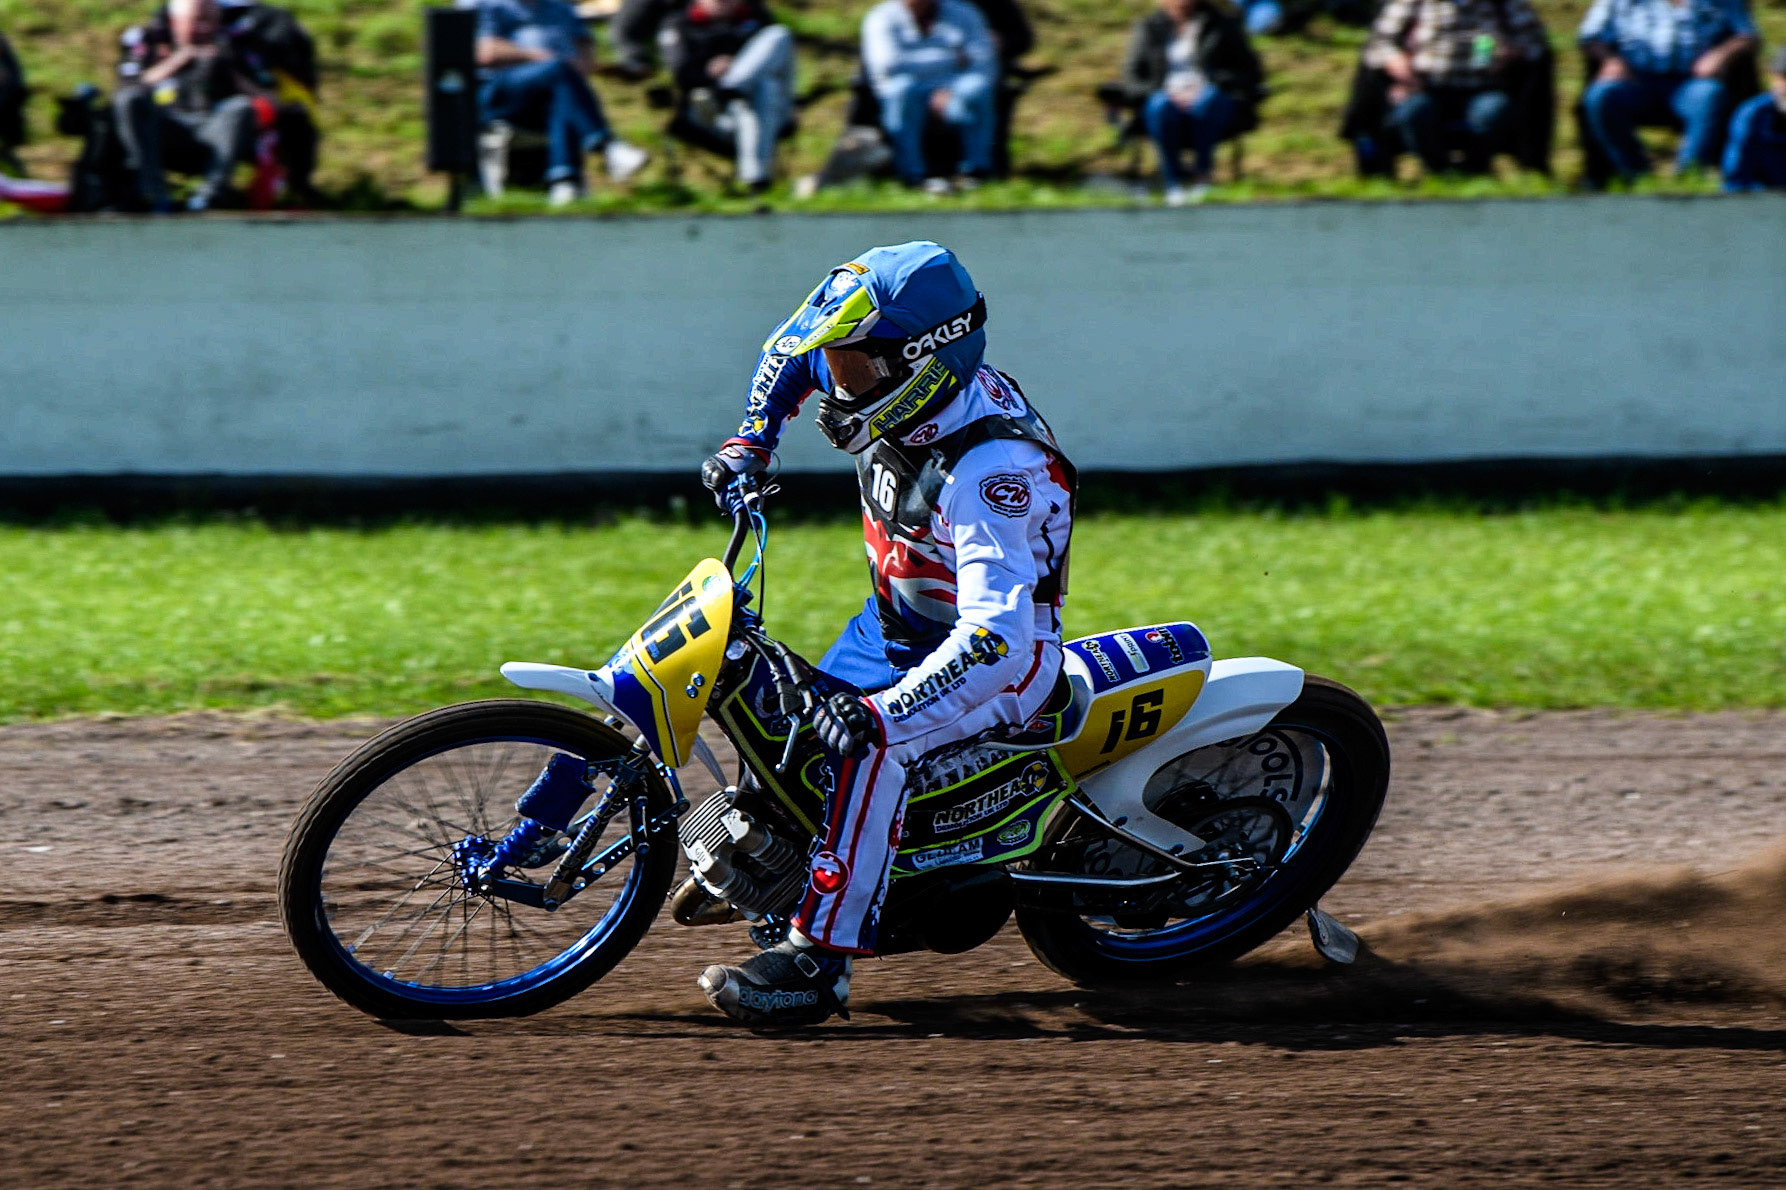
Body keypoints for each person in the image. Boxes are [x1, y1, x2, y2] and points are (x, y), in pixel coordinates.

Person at [695, 242, 1076, 1026]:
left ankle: (818, 964)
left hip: (993, 662)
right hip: (895, 624)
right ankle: (781, 859)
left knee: (865, 749)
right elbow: (788, 352)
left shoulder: (989, 473)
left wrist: (884, 715)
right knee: (785, 735)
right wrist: (752, 438)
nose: (839, 385)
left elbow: (996, 638)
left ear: (924, 361)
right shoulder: (901, 379)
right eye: (836, 365)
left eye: (854, 370)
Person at [474, 0, 650, 205]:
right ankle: (606, 145)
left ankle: (564, 182)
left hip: (554, 87)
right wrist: (540, 58)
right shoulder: (483, 3)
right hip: (500, 92)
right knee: (559, 73)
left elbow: (584, 43)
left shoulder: (560, 5)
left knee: (563, 95)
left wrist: (582, 63)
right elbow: (485, 52)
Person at [1359, 0, 1551, 177]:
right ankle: (1438, 171)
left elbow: (1536, 43)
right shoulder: (1413, 3)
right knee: (1415, 111)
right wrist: (1396, 62)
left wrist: (1511, 53)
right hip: (1425, 88)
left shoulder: (1503, 4)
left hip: (1484, 87)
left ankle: (1476, 170)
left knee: (1495, 111)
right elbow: (1378, 44)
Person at [1577, 0, 1758, 182]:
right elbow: (1590, 37)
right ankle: (1635, 175)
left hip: (1692, 82)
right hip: (1635, 82)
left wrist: (1721, 55)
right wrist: (1610, 60)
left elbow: (1747, 36)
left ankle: (1689, 175)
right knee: (1600, 97)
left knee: (1710, 95)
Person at [111, 0, 263, 212]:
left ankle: (209, 197)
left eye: (210, 21)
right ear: (175, 22)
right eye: (197, 21)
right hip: (162, 130)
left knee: (240, 107)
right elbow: (127, 88)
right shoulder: (149, 44)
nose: (204, 28)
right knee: (128, 100)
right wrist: (180, 59)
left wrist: (225, 65)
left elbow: (264, 97)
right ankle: (152, 194)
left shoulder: (230, 48)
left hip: (211, 133)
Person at [1118, 0, 1265, 206]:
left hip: (1212, 99)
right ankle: (1173, 184)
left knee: (1209, 99)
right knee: (1160, 105)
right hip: (1165, 99)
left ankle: (1202, 177)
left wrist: (1211, 84)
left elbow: (1251, 72)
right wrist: (1167, 92)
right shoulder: (1148, 28)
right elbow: (1131, 77)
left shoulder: (1222, 24)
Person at [861, 0, 999, 188]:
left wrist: (945, 88)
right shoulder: (882, 17)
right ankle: (912, 175)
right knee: (900, 90)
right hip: (907, 93)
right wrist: (951, 60)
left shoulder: (964, 13)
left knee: (976, 87)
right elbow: (889, 64)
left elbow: (982, 58)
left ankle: (975, 171)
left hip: (953, 91)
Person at [663, 0, 795, 190]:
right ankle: (754, 174)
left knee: (773, 61)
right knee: (719, 98)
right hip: (710, 114)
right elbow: (681, 74)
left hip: (757, 111)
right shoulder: (679, 23)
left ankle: (732, 87)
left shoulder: (755, 17)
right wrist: (709, 73)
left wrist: (734, 67)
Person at [1722, 45, 1786, 190]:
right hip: (1760, 201)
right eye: (1784, 79)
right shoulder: (1753, 115)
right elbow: (1736, 177)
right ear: (1773, 78)